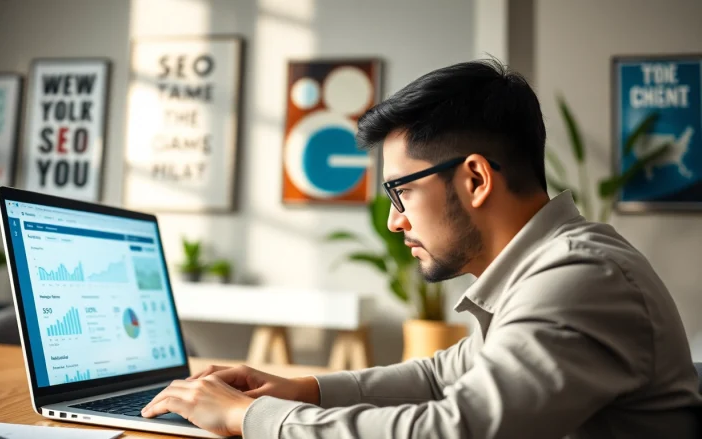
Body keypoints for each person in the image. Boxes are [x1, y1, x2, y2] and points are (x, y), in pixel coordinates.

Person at [140, 59, 702, 438]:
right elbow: (441, 377)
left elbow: (453, 429)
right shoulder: (543, 267)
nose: (392, 220)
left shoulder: (581, 276)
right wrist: (300, 388)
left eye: (401, 190)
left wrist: (256, 417)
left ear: (476, 179)